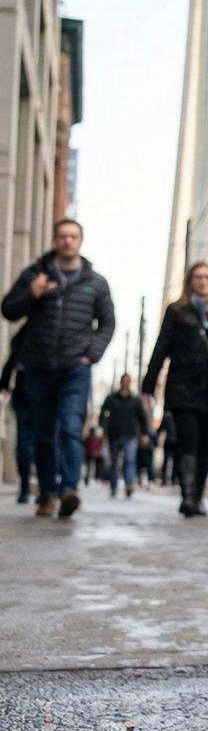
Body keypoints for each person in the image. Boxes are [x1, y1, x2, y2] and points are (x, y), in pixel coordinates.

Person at [1, 219, 115, 519]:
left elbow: (107, 323)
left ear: (80, 240)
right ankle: (47, 495)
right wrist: (32, 294)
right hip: (37, 366)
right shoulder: (35, 275)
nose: (68, 241)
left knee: (69, 426)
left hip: (74, 367)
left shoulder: (95, 282)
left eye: (73, 236)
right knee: (42, 433)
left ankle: (69, 490)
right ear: (55, 240)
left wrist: (91, 354)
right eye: (63, 236)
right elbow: (8, 309)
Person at [142, 262, 208, 517]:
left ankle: (198, 496)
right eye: (198, 277)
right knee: (187, 440)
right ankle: (187, 496)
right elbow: (161, 348)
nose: (203, 281)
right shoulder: (177, 311)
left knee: (206, 442)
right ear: (190, 281)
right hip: (183, 386)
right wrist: (149, 385)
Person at [100, 374, 148, 498]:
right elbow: (102, 414)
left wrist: (144, 434)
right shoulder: (111, 398)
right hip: (114, 434)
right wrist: (104, 428)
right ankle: (114, 486)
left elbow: (143, 418)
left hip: (130, 434)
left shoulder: (135, 400)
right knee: (114, 462)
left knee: (130, 460)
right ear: (121, 382)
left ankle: (129, 484)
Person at [1, 327, 33, 503]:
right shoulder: (22, 348)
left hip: (34, 402)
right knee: (25, 447)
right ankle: (26, 486)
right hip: (24, 402)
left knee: (30, 445)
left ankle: (29, 488)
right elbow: (7, 370)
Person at [157, 410, 177, 485]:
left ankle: (166, 479)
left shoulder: (167, 416)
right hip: (173, 441)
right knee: (173, 461)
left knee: (167, 460)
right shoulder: (178, 416)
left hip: (170, 440)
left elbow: (161, 428)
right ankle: (173, 479)